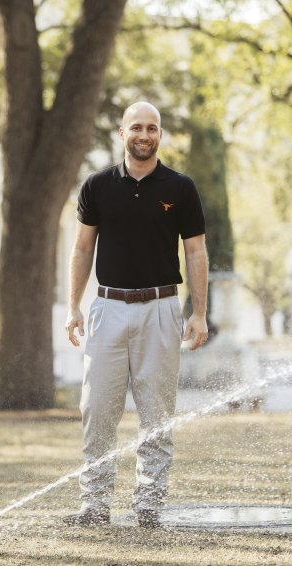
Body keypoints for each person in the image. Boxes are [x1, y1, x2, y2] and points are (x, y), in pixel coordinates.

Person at [63, 101, 209, 528]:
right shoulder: (96, 186)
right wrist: (73, 306)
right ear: (122, 133)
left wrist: (198, 313)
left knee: (157, 414)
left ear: (159, 135)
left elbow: (196, 251)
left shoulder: (181, 188)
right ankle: (94, 505)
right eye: (136, 128)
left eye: (152, 128)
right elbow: (81, 248)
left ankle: (149, 504)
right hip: (107, 308)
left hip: (163, 309)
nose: (144, 135)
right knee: (97, 411)